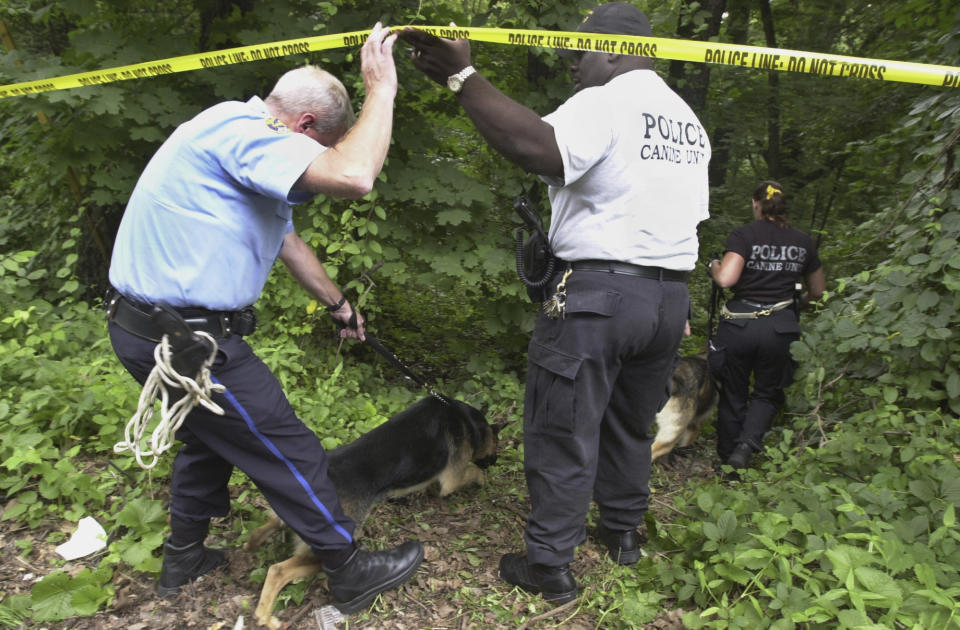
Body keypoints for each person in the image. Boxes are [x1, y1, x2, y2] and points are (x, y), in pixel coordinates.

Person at [105, 23, 424, 615]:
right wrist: (381, 90)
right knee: (287, 445)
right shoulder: (246, 131)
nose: (317, 160)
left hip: (149, 328)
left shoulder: (234, 137)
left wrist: (341, 306)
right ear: (303, 128)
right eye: (320, 146)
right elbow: (355, 176)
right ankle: (350, 567)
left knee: (209, 438)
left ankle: (184, 559)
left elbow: (286, 242)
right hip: (187, 339)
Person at [399, 2, 710, 603]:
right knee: (629, 421)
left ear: (618, 50)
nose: (570, 59)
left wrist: (463, 79)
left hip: (599, 297)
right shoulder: (684, 119)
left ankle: (548, 564)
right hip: (667, 297)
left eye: (581, 48)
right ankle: (622, 534)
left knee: (561, 427)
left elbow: (539, 149)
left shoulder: (605, 101)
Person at [707, 181, 825, 470]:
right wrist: (795, 306)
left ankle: (727, 456)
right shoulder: (803, 241)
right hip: (781, 327)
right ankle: (746, 448)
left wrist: (713, 266)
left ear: (755, 204)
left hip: (740, 324)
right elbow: (819, 291)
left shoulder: (744, 235)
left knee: (733, 389)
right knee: (767, 391)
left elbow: (726, 279)